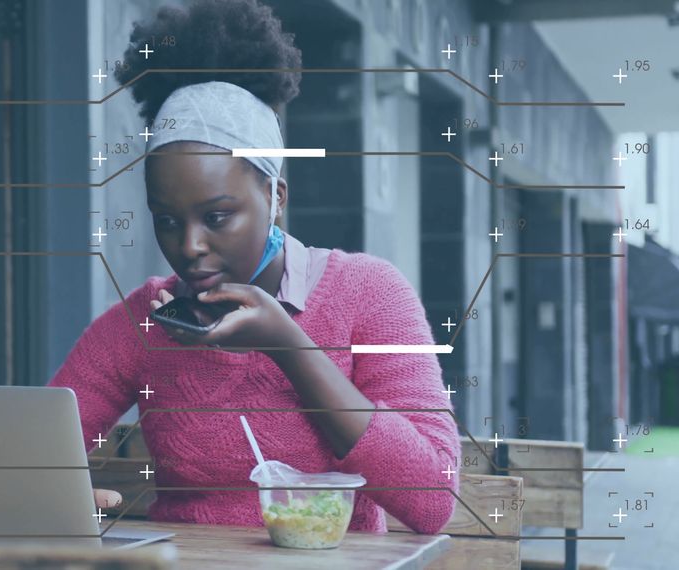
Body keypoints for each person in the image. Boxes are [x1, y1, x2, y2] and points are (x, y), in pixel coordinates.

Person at [48, 0, 460, 534]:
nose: (190, 245)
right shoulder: (145, 321)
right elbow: (32, 457)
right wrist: (59, 494)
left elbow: (433, 501)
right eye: (167, 220)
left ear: (275, 197)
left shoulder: (370, 295)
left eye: (217, 216)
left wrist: (288, 345)